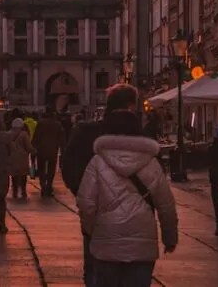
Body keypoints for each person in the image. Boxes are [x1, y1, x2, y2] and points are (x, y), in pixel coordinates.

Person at [76, 91, 178, 287]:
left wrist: (92, 231)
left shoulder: (97, 162)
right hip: (142, 245)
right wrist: (169, 237)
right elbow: (166, 205)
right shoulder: (151, 163)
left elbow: (86, 203)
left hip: (105, 243)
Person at [62, 83, 143, 287]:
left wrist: (85, 194)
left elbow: (68, 166)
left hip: (97, 213)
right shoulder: (143, 138)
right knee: (132, 269)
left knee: (95, 267)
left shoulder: (87, 133)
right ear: (131, 106)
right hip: (136, 216)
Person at [33, 108, 66, 196]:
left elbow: (36, 137)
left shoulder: (40, 123)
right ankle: (49, 185)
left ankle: (43, 186)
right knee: (51, 169)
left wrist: (34, 149)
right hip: (53, 151)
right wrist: (62, 148)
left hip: (41, 150)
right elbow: (61, 138)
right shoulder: (57, 124)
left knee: (41, 169)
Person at [10, 117, 37, 199]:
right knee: (23, 175)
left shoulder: (8, 133)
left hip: (12, 158)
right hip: (22, 158)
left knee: (14, 176)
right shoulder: (24, 134)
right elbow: (28, 146)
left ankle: (15, 191)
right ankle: (23, 191)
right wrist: (34, 151)